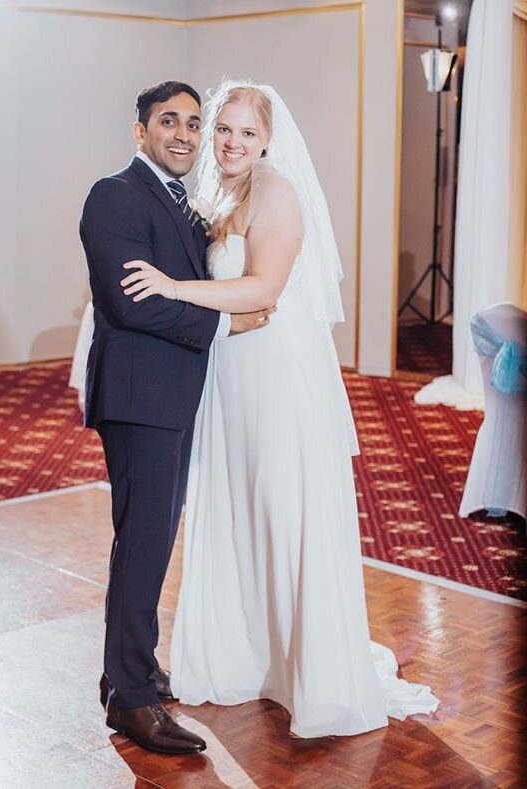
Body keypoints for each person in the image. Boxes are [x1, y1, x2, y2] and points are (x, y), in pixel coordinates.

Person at [119, 81, 440, 738]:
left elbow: (264, 286)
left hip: (275, 373)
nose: (233, 142)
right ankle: (248, 655)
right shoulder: (218, 194)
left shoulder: (277, 193)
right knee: (237, 504)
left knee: (282, 508)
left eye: (246, 132)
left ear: (268, 140)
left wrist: (173, 288)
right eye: (224, 130)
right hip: (230, 370)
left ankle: (310, 669)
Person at [79, 81, 272, 755]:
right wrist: (223, 325)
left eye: (196, 122)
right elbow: (130, 304)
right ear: (142, 132)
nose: (187, 134)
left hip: (172, 394)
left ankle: (124, 667)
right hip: (139, 396)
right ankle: (131, 700)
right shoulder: (114, 196)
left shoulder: (187, 202)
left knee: (150, 539)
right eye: (170, 121)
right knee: (144, 541)